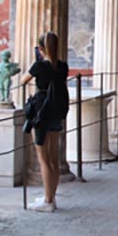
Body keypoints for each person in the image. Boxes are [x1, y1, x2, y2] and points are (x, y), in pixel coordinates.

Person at [20, 31, 69, 213]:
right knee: (54, 158)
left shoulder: (39, 66)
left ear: (40, 49)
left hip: (41, 113)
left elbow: (23, 80)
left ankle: (48, 201)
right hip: (56, 111)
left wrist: (38, 60)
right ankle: (51, 197)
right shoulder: (63, 66)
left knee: (43, 159)